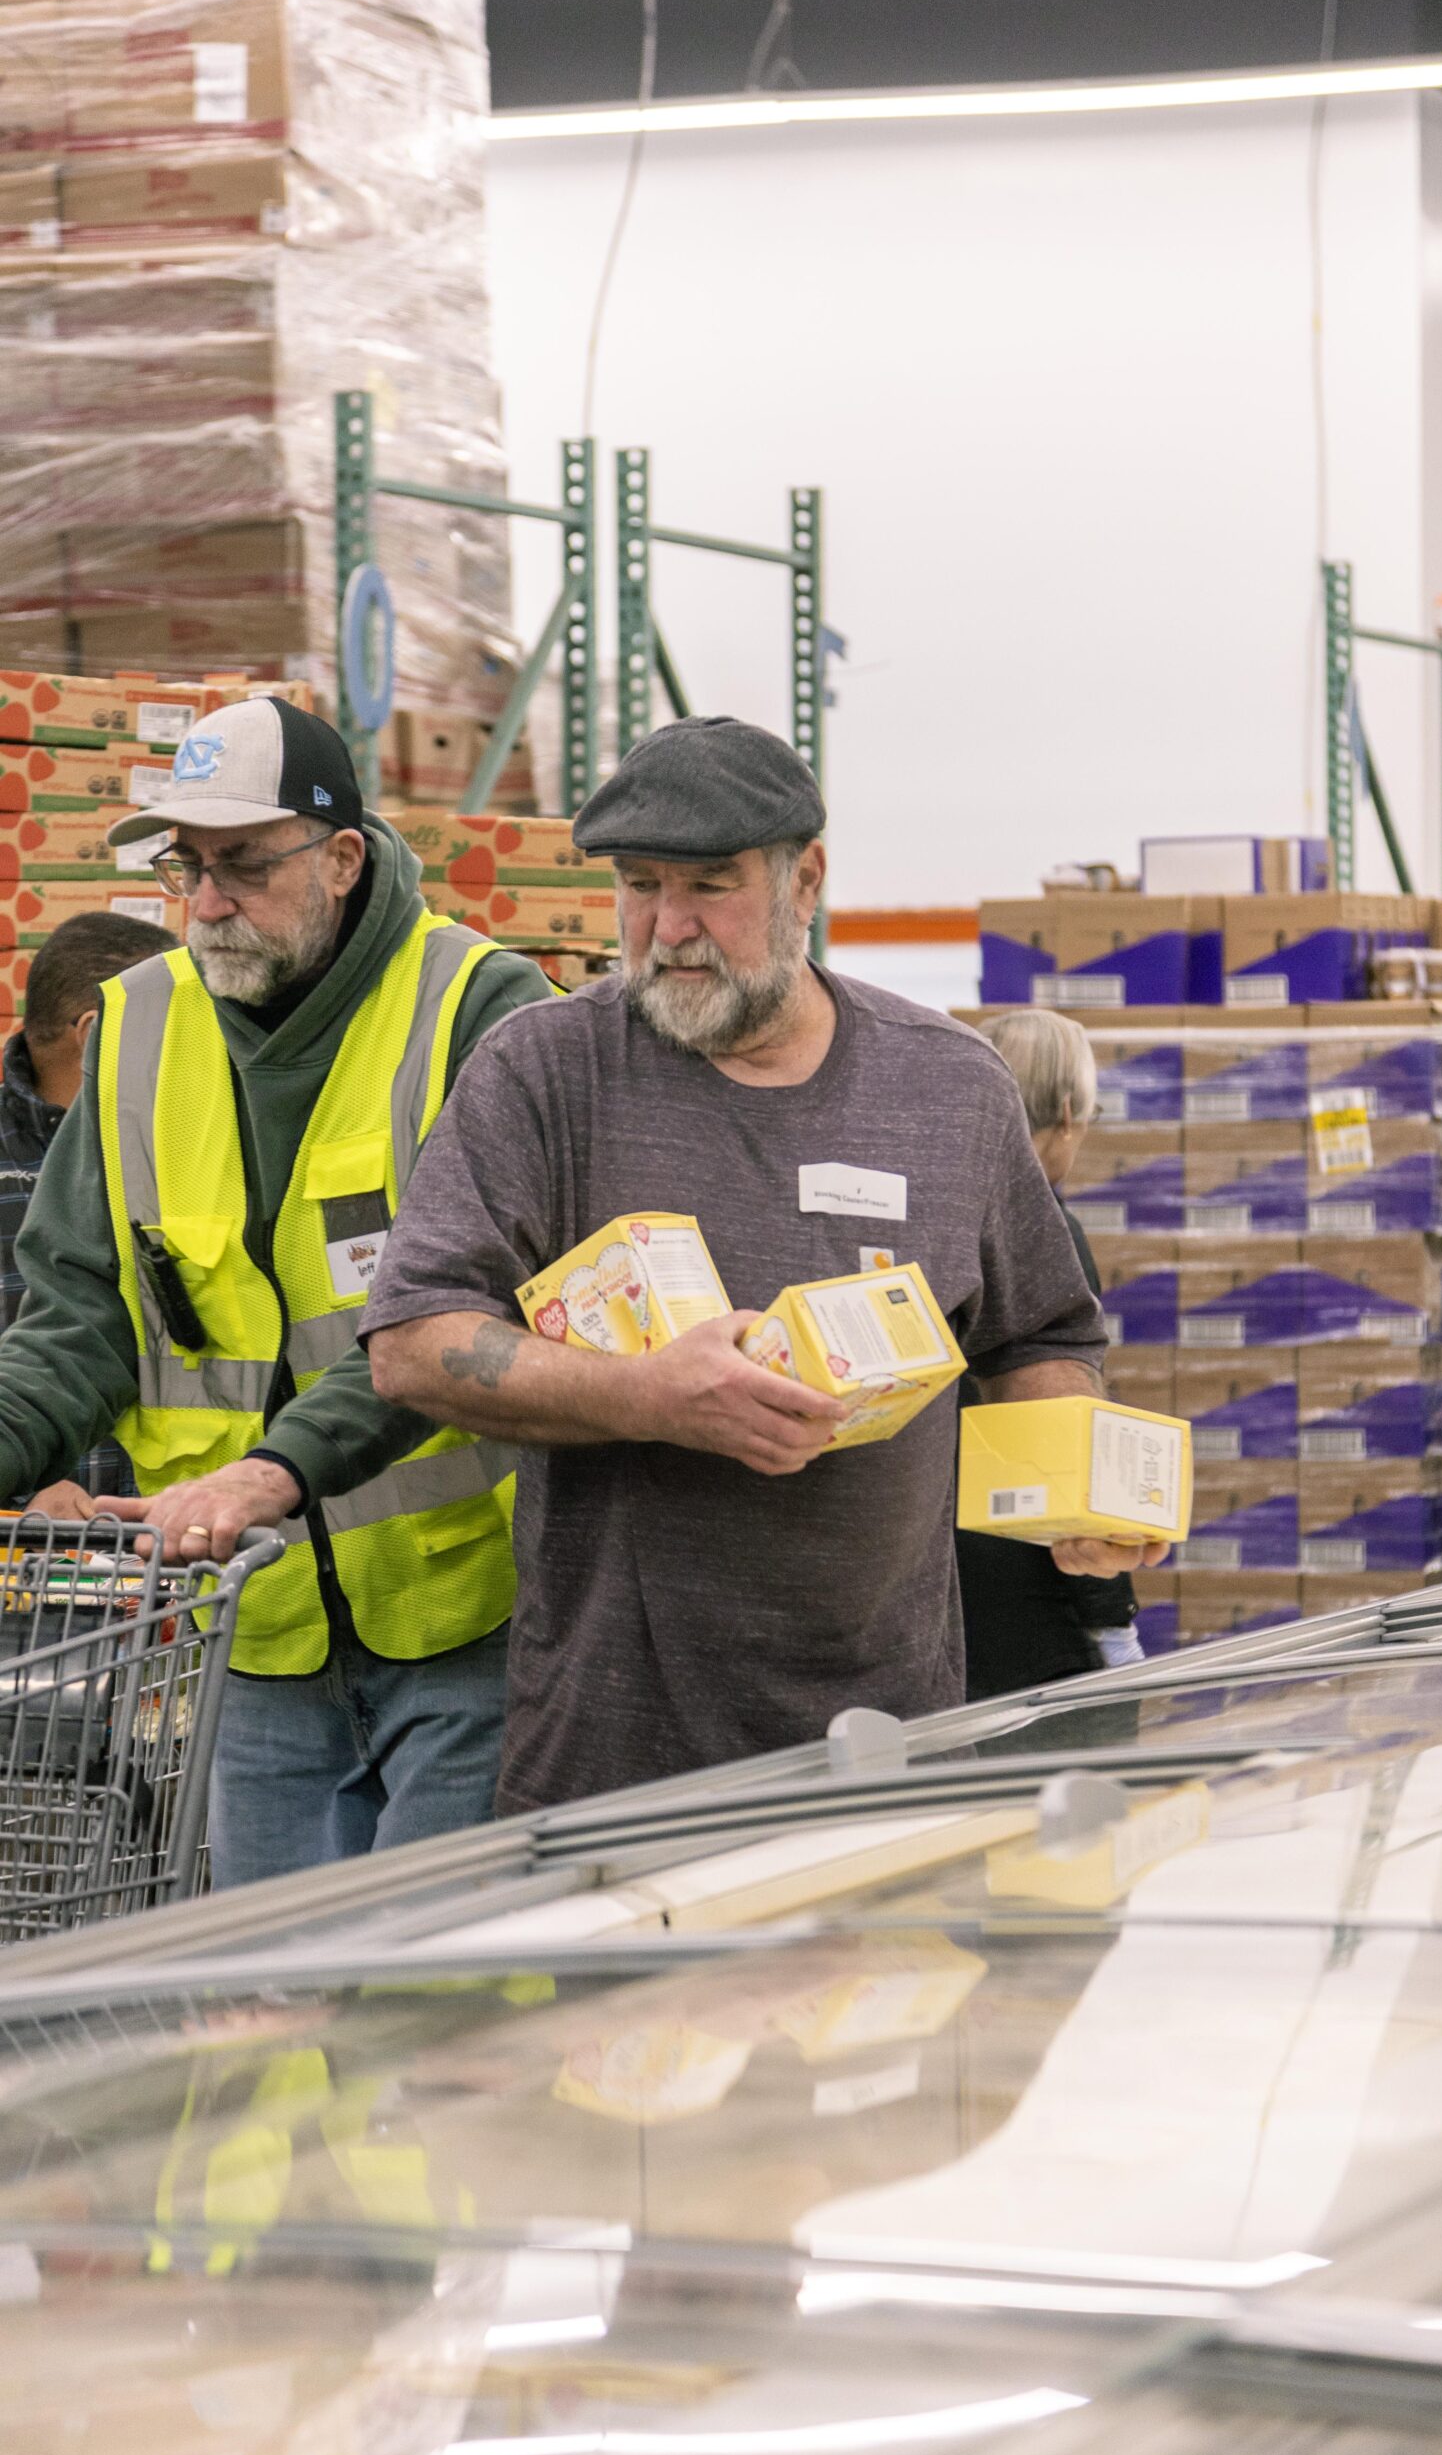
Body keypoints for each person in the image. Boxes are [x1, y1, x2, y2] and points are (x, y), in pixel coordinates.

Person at [362, 713, 1162, 1810]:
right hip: (615, 1765)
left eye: (710, 886)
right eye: (641, 886)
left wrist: (1081, 1485)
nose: (669, 926)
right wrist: (643, 1396)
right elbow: (412, 1342)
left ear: (807, 880)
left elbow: (1040, 1334)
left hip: (887, 1751)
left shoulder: (949, 1090)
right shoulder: (547, 1074)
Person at [0, 694, 553, 1885]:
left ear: (343, 858)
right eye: (185, 869)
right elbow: (80, 1316)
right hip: (258, 1630)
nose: (205, 905)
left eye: (244, 866)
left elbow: (480, 1311)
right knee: (277, 2028)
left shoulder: (481, 1012)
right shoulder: (138, 1029)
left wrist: (273, 1470)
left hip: (473, 1614)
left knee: (432, 2007)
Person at [955, 1009, 1145, 1699]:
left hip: (936, 1588)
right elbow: (1066, 1442)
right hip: (1030, 1586)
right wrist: (1110, 1620)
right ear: (1067, 1112)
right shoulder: (1047, 1236)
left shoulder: (938, 1214)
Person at [0, 911, 178, 1513]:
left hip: (173, 1555)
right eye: (180, 1028)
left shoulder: (183, 1152)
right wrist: (22, 1485)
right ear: (97, 1032)